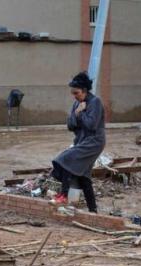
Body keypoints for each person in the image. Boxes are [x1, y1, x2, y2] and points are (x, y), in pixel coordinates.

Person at [50, 71, 105, 213]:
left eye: (77, 93)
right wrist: (77, 113)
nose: (75, 96)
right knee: (83, 177)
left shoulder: (95, 102)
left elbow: (92, 125)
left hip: (94, 142)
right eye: (73, 94)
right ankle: (93, 210)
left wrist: (80, 114)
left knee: (66, 160)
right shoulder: (77, 104)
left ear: (85, 90)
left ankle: (63, 196)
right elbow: (70, 125)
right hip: (81, 141)